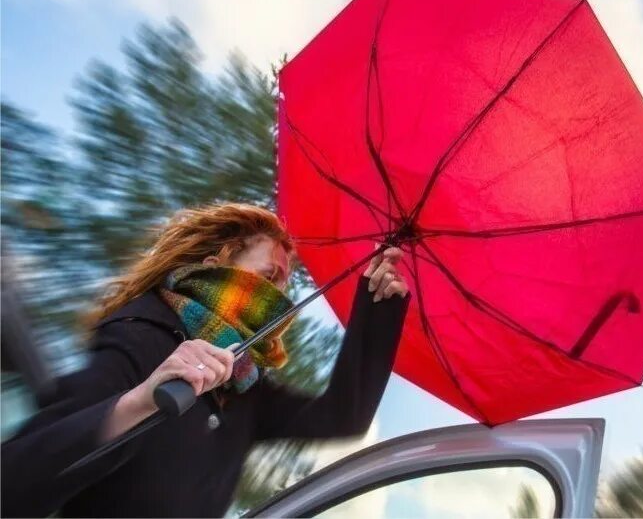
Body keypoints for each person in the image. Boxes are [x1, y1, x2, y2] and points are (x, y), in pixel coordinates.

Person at [0, 202, 410, 518]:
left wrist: (377, 308)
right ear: (216, 263)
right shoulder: (139, 337)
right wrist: (141, 401)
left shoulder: (248, 389)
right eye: (267, 276)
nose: (278, 298)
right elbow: (14, 481)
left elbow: (342, 417)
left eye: (283, 285)